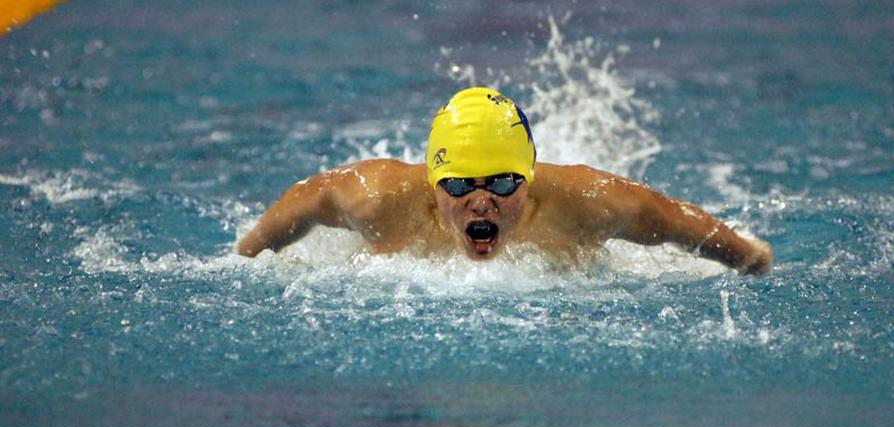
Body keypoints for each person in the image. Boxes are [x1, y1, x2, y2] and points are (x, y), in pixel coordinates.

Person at [238, 87, 772, 275]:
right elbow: (308, 198)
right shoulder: (378, 201)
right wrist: (247, 254)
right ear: (431, 184)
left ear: (530, 178)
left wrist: (747, 257)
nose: (480, 203)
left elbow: (674, 219)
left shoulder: (589, 203)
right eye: (458, 186)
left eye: (501, 183)